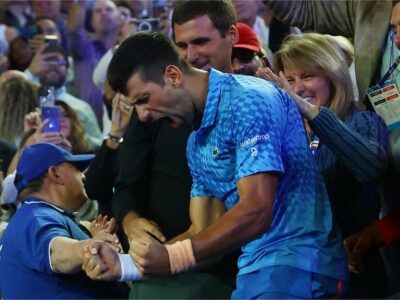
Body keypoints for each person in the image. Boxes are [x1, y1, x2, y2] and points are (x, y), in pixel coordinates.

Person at [83, 31, 347, 299]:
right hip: (256, 273)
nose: (143, 115)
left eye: (143, 100)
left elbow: (257, 210)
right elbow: (202, 232)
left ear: (173, 76)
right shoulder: (196, 142)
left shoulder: (249, 99)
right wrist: (125, 265)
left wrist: (172, 256)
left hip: (300, 265)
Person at [112, 0, 240, 298]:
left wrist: (132, 264)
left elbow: (253, 212)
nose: (191, 55)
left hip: (233, 274)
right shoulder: (153, 106)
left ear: (231, 36)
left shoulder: (250, 101)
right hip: (162, 274)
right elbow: (125, 183)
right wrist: (132, 223)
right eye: (181, 45)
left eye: (200, 42)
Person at [258, 32, 389, 298]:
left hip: (356, 279)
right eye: (289, 79)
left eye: (307, 76)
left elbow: (371, 166)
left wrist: (311, 113)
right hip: (295, 279)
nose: (296, 89)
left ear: (333, 76)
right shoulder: (285, 135)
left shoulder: (362, 122)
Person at [0, 142, 129, 298]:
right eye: (76, 168)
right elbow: (56, 251)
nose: (83, 175)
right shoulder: (34, 216)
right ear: (55, 174)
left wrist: (92, 238)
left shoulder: (37, 215)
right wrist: (89, 249)